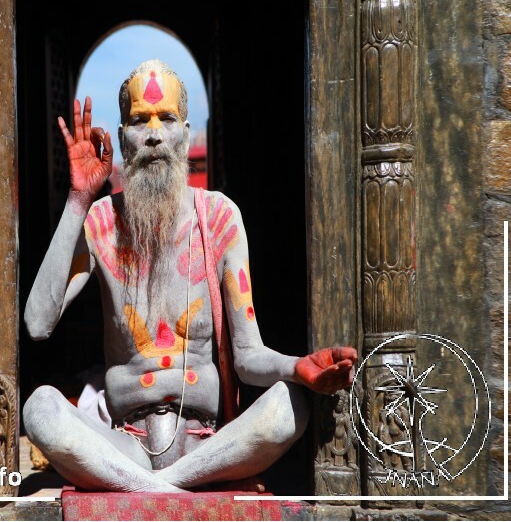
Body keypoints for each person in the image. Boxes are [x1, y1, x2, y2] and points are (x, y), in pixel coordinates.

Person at [23, 60, 357, 492]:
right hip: (123, 446)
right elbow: (36, 323)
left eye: (167, 119)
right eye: (139, 120)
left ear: (184, 131)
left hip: (207, 448)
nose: (154, 133)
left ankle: (152, 489)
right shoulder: (102, 222)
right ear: (123, 137)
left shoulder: (219, 219)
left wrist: (298, 367)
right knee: (40, 409)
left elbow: (248, 357)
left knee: (290, 404)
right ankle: (168, 492)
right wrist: (77, 200)